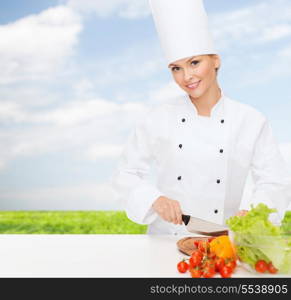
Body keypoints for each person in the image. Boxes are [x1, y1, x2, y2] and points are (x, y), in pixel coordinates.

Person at [110, 0, 291, 235]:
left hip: (223, 242)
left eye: (194, 63)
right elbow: (125, 173)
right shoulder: (157, 118)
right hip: (165, 240)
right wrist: (154, 199)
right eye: (176, 68)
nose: (187, 76)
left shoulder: (251, 120)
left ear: (215, 60)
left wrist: (254, 212)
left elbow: (274, 180)